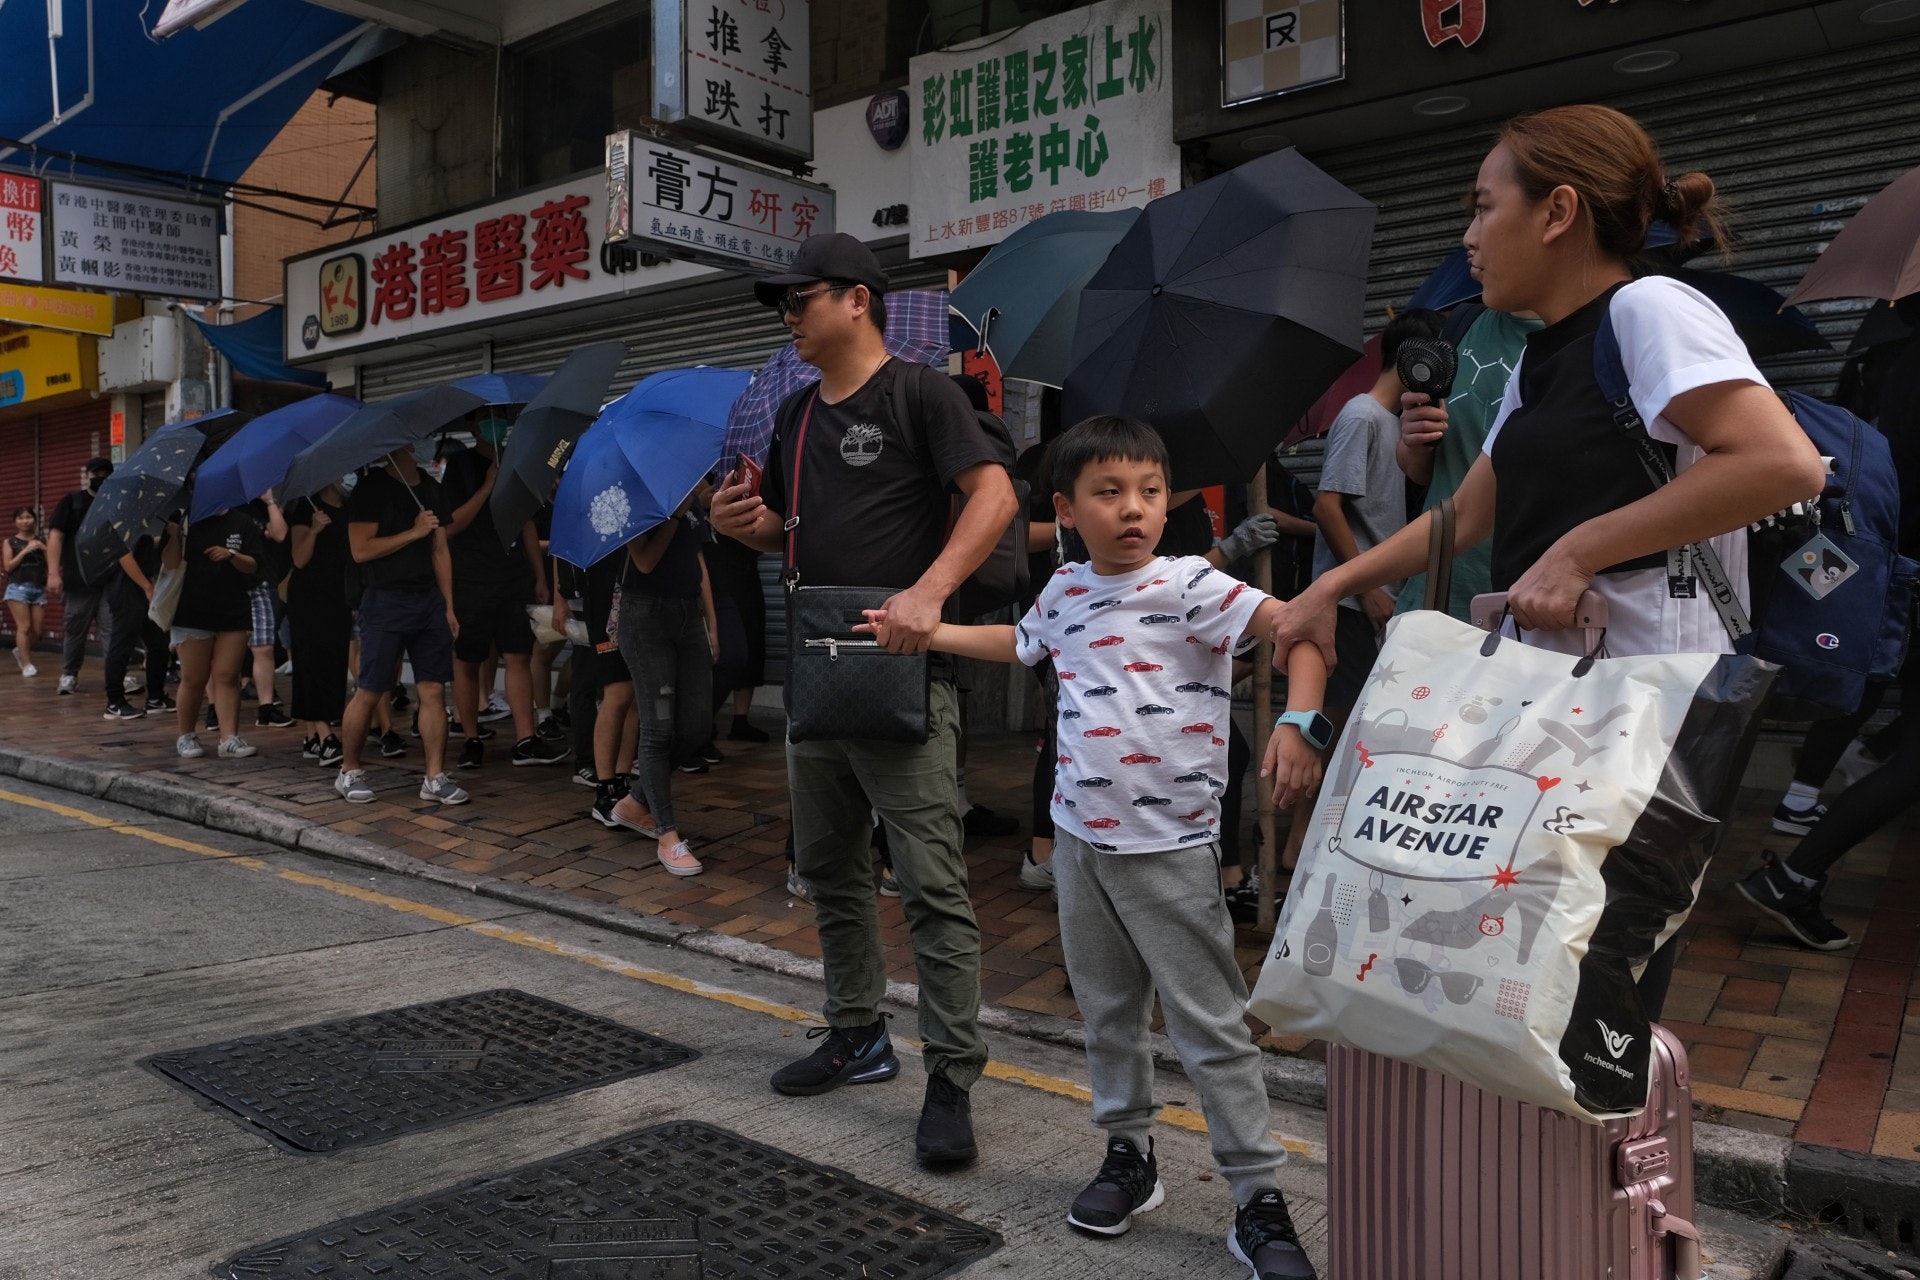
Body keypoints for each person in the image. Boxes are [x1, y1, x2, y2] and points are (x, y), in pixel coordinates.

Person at [1270, 103, 1826, 1019]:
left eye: (1485, 207)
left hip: (1639, 712)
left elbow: (1779, 461)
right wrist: (1331, 584)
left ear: (1558, 211)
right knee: (1517, 989)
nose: (1469, 235)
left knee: (1588, 993)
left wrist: (1580, 549)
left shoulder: (1650, 309)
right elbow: (1460, 516)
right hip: (1555, 712)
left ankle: (1594, 1156)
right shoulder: (1541, 358)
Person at [861, 415, 1326, 1279]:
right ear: (1067, 510)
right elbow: (1019, 643)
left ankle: (1257, 1200)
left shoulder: (1193, 584)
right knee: (1109, 1014)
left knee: (1210, 1027)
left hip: (1174, 849)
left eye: (1149, 491)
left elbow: (1298, 627)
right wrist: (928, 632)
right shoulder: (1066, 590)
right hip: (1079, 845)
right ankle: (1129, 1156)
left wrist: (1300, 720)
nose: (1134, 509)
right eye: (1109, 493)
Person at [709, 231, 1017, 1168]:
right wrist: (750, 527)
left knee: (930, 884)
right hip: (818, 667)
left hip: (903, 671)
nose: (788, 318)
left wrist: (930, 591)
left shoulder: (923, 392)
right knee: (830, 866)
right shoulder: (797, 415)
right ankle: (856, 1030)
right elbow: (791, 535)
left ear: (856, 299)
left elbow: (995, 496)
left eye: (798, 300)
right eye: (782, 305)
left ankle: (953, 1074)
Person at [1736, 294, 1920, 949]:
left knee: (1861, 693)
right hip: (1889, 565)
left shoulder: (1895, 368)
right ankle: (1795, 869)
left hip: (1879, 565)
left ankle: (1799, 840)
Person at [1309, 307, 1444, 712]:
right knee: (1344, 719)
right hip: (1355, 601)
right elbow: (1327, 506)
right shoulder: (1362, 415)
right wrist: (1366, 589)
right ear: (1412, 360)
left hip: (1382, 596)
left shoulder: (1394, 422)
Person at [333, 449, 468, 807]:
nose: (414, 448)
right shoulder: (371, 487)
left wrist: (449, 604)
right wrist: (413, 531)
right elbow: (360, 550)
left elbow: (440, 550)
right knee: (371, 689)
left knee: (434, 690)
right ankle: (349, 770)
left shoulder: (432, 489)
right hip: (384, 601)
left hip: (428, 602)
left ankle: (435, 776)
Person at [1393, 304, 1541, 621]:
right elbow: (1420, 474)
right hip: (1437, 595)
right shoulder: (1463, 324)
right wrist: (1415, 439)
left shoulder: (1602, 331)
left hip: (1533, 610)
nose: (1469, 250)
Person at [441, 413, 569, 770]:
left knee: (517, 656)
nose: (491, 427)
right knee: (467, 660)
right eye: (483, 421)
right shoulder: (461, 467)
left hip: (513, 577)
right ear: (471, 427)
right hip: (471, 579)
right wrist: (486, 487)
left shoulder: (515, 460)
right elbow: (450, 527)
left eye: (495, 420)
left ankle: (526, 739)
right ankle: (470, 737)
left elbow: (525, 520)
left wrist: (538, 575)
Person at [612, 498, 716, 876]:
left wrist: (711, 623)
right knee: (659, 730)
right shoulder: (634, 495)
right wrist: (674, 513)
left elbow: (698, 563)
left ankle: (635, 801)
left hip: (688, 616)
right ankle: (667, 835)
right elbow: (643, 561)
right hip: (645, 619)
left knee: (698, 728)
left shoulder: (687, 492)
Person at [164, 507, 261, 760]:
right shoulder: (186, 520)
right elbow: (170, 564)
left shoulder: (243, 521)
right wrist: (176, 536)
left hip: (233, 608)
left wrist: (231, 555)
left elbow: (253, 565)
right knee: (194, 678)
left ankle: (229, 738)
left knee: (228, 675)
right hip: (192, 609)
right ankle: (186, 735)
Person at [287, 482, 355, 766]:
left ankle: (312, 735)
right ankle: (325, 734)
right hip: (308, 596)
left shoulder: (350, 505)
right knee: (310, 660)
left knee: (334, 660)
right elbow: (299, 559)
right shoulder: (305, 507)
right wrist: (314, 530)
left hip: (339, 594)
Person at [44, 457, 118, 698]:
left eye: (107, 473)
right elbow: (55, 537)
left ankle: (115, 676)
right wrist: (54, 573)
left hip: (109, 580)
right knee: (75, 630)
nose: (102, 477)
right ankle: (69, 674)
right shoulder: (72, 502)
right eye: (97, 473)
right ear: (87, 475)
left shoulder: (115, 502)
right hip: (78, 581)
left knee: (111, 630)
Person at [246, 495, 294, 729]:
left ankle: (266, 708)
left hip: (259, 583)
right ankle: (216, 708)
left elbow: (280, 533)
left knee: (264, 647)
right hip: (226, 586)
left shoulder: (260, 506)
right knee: (220, 653)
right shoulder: (222, 505)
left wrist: (271, 502)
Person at [4, 507, 48, 677]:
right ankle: (27, 663)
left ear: (34, 520)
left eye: (28, 517)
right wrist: (25, 550)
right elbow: (8, 566)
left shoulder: (41, 540)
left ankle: (20, 650)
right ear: (15, 522)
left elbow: (51, 563)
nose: (25, 521)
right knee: (25, 627)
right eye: (21, 518)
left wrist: (43, 548)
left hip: (38, 588)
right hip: (18, 588)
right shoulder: (10, 542)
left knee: (37, 632)